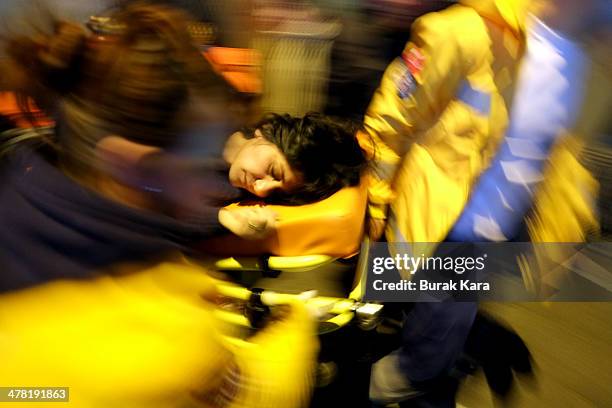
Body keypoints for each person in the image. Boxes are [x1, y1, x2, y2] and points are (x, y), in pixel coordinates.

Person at [0, 4, 318, 407]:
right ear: (134, 164)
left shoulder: (29, 185)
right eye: (196, 168)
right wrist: (297, 325)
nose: (209, 185)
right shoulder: (169, 348)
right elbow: (262, 393)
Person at [362, 0, 609, 406]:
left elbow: (566, 154)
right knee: (432, 334)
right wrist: (377, 197)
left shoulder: (587, 58)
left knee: (444, 320)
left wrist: (572, 223)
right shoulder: (459, 32)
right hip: (447, 219)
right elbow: (393, 118)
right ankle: (394, 383)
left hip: (511, 227)